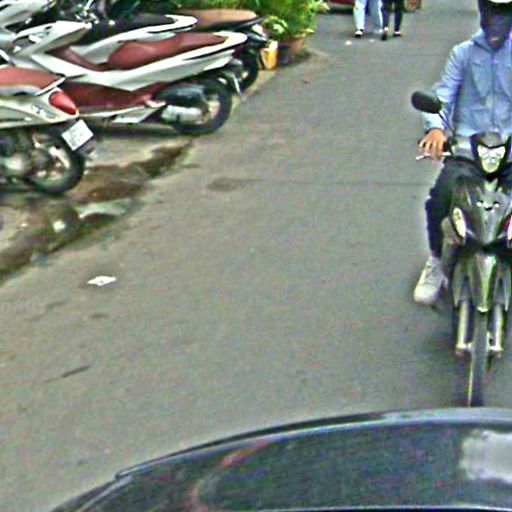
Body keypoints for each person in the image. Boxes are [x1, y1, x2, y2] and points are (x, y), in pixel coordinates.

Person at [414, 0, 512, 305]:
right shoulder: (463, 54)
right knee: (440, 197)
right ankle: (436, 260)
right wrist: (436, 129)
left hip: (510, 152)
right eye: (493, 11)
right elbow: (442, 98)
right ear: (482, 11)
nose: (498, 19)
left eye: (504, 12)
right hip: (468, 151)